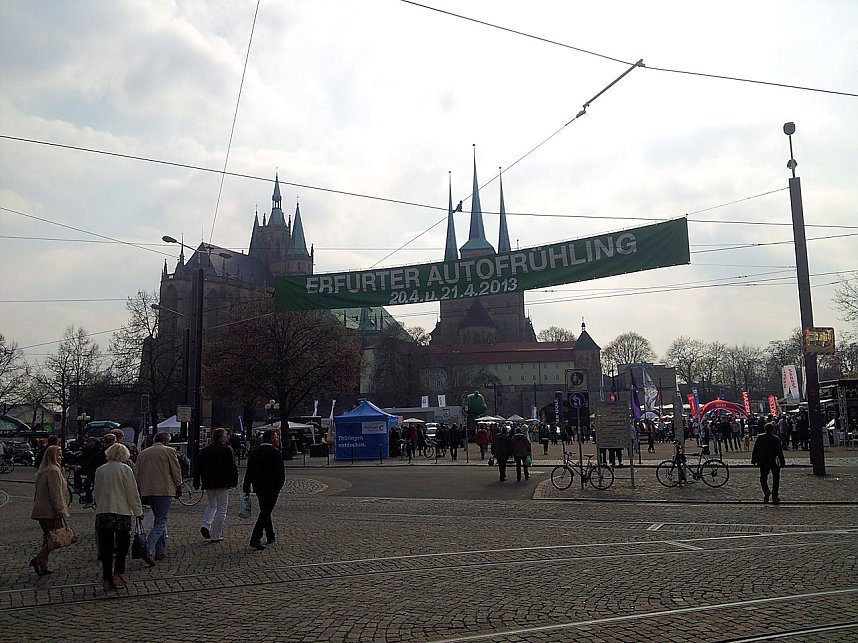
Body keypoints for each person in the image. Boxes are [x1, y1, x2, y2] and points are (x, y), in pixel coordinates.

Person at [93, 443, 143, 591]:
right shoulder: (125, 469)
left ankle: (106, 577)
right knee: (122, 547)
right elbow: (132, 493)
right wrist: (138, 511)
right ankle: (118, 573)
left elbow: (97, 491)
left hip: (103, 511)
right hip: (121, 512)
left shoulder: (100, 470)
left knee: (105, 548)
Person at [135, 431, 182, 562]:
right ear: (166, 441)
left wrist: (139, 489)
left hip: (147, 490)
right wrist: (178, 485)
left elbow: (137, 473)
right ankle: (148, 548)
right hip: (164, 490)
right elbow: (176, 470)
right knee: (161, 521)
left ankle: (160, 551)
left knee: (159, 519)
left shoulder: (143, 453)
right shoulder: (169, 451)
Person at [30, 445, 70, 576]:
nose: (61, 457)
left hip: (41, 510)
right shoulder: (53, 471)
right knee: (52, 538)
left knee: (47, 537)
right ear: (52, 456)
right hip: (50, 511)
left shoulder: (43, 470)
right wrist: (59, 508)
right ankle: (39, 559)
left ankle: (43, 565)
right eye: (59, 455)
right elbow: (55, 492)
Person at [242, 429, 285, 550]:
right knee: (265, 512)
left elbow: (249, 471)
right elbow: (280, 471)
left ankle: (270, 535)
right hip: (272, 487)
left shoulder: (255, 452)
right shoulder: (275, 452)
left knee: (265, 510)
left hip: (259, 486)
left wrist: (247, 486)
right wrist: (280, 484)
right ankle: (255, 538)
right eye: (276, 437)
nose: (277, 439)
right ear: (271, 439)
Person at [194, 428, 239, 543]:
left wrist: (196, 481)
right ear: (221, 438)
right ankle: (215, 534)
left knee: (212, 505)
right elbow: (231, 467)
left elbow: (198, 466)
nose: (227, 437)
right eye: (225, 436)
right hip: (222, 482)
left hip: (209, 482)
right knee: (222, 508)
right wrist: (234, 480)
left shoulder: (205, 450)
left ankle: (206, 524)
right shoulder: (227, 449)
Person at [751, 422, 786, 504]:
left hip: (763, 461)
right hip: (774, 461)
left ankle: (766, 490)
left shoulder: (760, 437)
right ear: (772, 430)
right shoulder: (776, 438)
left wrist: (754, 459)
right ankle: (775, 497)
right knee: (776, 479)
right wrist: (782, 461)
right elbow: (779, 451)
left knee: (763, 478)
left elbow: (755, 449)